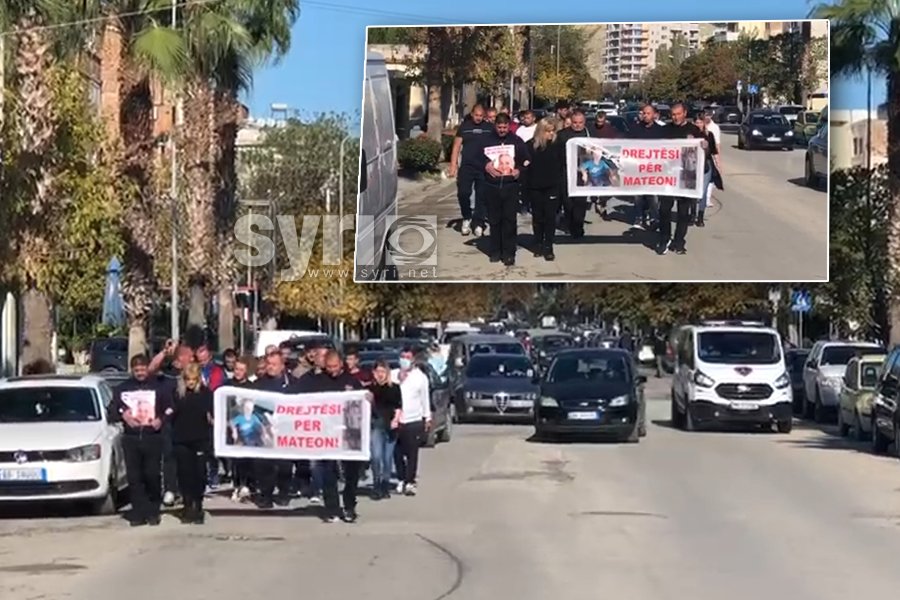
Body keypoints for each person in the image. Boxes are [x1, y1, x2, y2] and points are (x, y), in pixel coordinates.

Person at [300, 350, 365, 523]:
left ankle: (349, 506)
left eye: (335, 366)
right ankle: (332, 508)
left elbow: (363, 401)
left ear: (341, 364)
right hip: (327, 434)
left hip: (349, 434)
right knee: (328, 471)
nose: (332, 370)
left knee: (351, 473)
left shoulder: (351, 381)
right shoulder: (319, 382)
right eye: (328, 367)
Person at [111, 354, 172, 526]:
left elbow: (170, 408)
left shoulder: (158, 387)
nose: (140, 373)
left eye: (143, 369)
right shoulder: (123, 389)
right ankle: (138, 512)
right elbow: (113, 411)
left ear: (148, 368)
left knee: (152, 475)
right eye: (136, 370)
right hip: (131, 438)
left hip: (152, 437)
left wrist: (161, 420)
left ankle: (153, 511)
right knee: (134, 477)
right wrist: (124, 414)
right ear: (132, 370)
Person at [482, 112, 530, 266]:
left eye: (504, 127)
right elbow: (476, 158)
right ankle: (495, 251)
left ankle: (509, 253)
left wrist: (519, 171)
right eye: (499, 127)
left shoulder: (516, 141)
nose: (502, 130)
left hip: (511, 186)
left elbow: (527, 161)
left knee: (509, 220)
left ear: (509, 126)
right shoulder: (487, 140)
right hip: (492, 185)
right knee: (495, 220)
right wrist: (485, 165)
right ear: (495, 126)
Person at [251, 350, 298, 508]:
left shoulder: (293, 383)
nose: (270, 367)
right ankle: (266, 495)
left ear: (282, 365)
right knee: (264, 464)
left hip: (285, 429)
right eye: (268, 364)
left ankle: (284, 492)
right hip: (265, 429)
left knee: (285, 465)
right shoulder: (258, 384)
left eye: (274, 364)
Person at [170, 362, 213, 524]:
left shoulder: (206, 393)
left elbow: (213, 412)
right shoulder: (177, 394)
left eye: (193, 379)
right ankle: (188, 505)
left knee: (199, 473)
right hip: (181, 438)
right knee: (184, 473)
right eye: (187, 379)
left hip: (200, 439)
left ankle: (198, 504)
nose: (190, 382)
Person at [658, 102, 703, 255]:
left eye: (678, 114)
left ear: (685, 113)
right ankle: (665, 238)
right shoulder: (665, 130)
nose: (675, 117)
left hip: (686, 176)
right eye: (673, 114)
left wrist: (704, 145)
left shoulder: (694, 130)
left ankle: (679, 242)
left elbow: (705, 148)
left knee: (683, 212)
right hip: (668, 177)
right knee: (664, 210)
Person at [392, 347, 431, 496]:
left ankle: (410, 481)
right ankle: (401, 478)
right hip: (397, 420)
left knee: (411, 453)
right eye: (402, 356)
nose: (404, 360)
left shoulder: (420, 377)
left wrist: (427, 417)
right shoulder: (394, 374)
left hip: (414, 420)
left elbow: (424, 399)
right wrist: (400, 379)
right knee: (397, 453)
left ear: (413, 359)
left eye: (407, 357)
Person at [448, 105, 490, 238]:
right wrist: (453, 165)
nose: (478, 118)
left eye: (481, 116)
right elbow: (456, 146)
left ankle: (479, 222)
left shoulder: (489, 128)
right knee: (463, 193)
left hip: (484, 167)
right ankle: (467, 217)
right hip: (467, 166)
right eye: (476, 115)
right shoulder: (464, 127)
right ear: (472, 114)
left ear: (484, 116)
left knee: (482, 196)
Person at [526, 117, 565, 261]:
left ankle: (548, 246)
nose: (551, 134)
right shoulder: (530, 146)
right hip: (535, 187)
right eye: (548, 131)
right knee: (538, 217)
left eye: (553, 131)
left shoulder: (558, 144)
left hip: (552, 186)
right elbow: (526, 168)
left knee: (550, 217)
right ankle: (538, 243)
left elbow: (563, 164)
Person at [368, 360, 402, 500]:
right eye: (378, 372)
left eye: (383, 372)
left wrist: (396, 420)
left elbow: (399, 406)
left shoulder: (394, 388)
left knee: (387, 458)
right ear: (374, 373)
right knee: (376, 457)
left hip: (390, 426)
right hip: (376, 425)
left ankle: (385, 485)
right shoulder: (370, 390)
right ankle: (376, 484)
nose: (380, 375)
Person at [557, 110, 593, 238]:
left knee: (580, 202)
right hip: (565, 172)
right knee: (567, 202)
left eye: (580, 122)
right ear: (570, 122)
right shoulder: (561, 135)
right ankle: (569, 222)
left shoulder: (590, 135)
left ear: (584, 122)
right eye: (575, 122)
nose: (577, 125)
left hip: (582, 172)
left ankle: (578, 227)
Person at [629, 104, 665, 230]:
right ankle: (639, 218)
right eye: (644, 113)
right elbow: (627, 145)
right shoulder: (635, 129)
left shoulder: (660, 130)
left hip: (654, 169)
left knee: (653, 195)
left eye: (648, 113)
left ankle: (654, 218)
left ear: (654, 115)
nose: (645, 115)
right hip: (638, 168)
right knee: (638, 195)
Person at [692, 114, 721, 227]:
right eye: (697, 122)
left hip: (706, 165)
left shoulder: (709, 135)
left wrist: (718, 163)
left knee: (702, 191)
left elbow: (714, 151)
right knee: (693, 191)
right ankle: (692, 214)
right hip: (693, 165)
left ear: (704, 123)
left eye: (700, 122)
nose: (699, 124)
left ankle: (700, 216)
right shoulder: (691, 135)